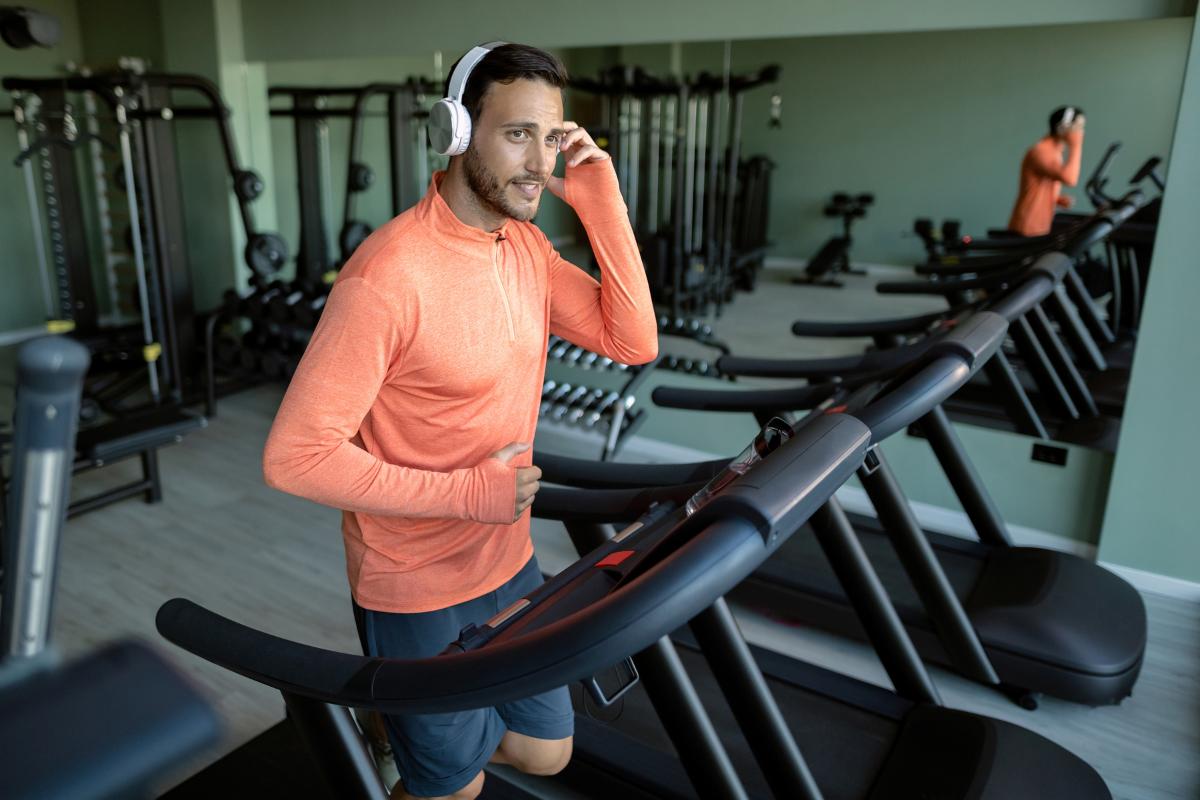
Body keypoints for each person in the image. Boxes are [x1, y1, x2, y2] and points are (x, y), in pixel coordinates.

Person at [262, 42, 658, 800]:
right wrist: (468, 494)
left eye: (551, 137)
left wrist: (601, 196)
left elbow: (631, 339)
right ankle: (407, 745)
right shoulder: (386, 279)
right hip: (412, 581)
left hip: (507, 559)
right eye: (517, 134)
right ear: (456, 131)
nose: (540, 161)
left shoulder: (527, 248)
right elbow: (295, 458)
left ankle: (394, 724)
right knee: (455, 790)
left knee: (545, 755)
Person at [1007, 105, 1086, 236]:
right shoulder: (1041, 151)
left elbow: (1041, 184)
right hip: (1027, 226)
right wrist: (1076, 146)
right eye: (1077, 127)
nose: (1080, 133)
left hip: (1040, 224)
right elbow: (1070, 179)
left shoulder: (1054, 151)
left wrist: (1056, 198)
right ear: (1063, 127)